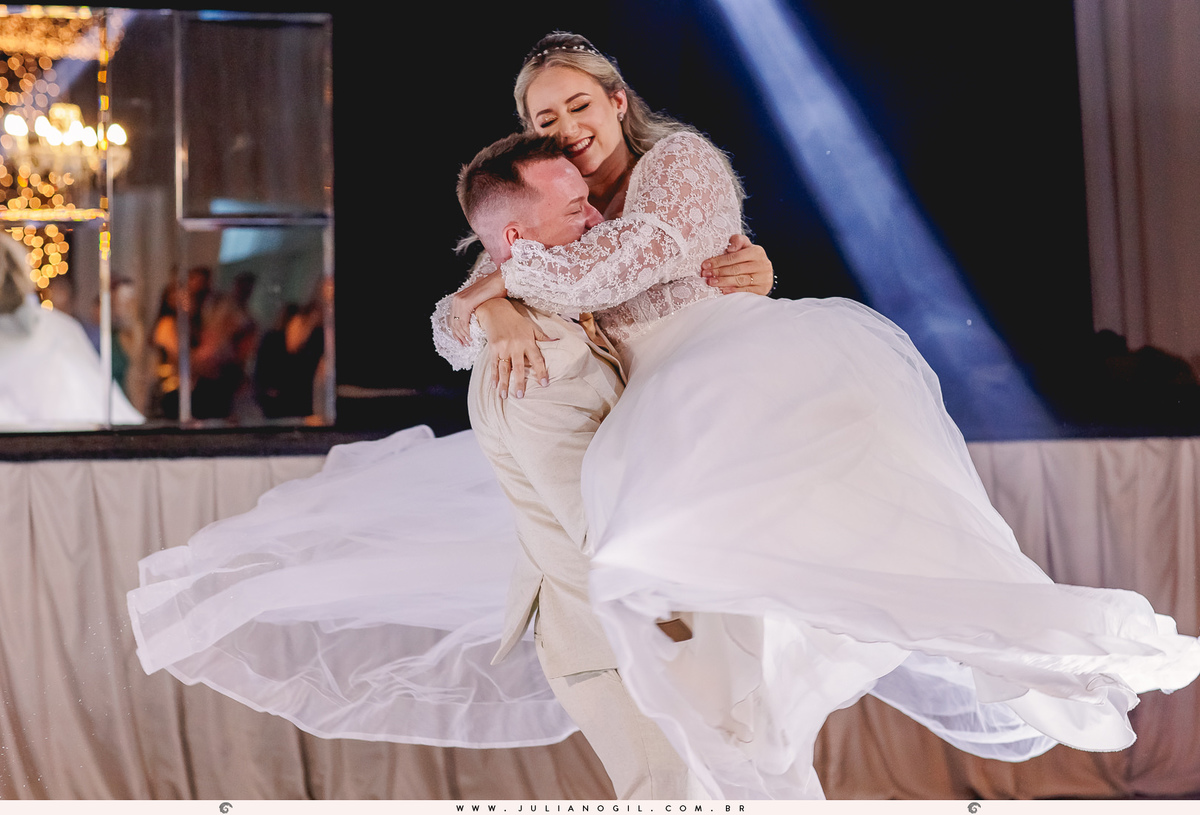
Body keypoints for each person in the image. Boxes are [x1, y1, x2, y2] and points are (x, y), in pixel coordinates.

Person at [128, 32, 1200, 801]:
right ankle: (731, 771)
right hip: (635, 410)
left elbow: (633, 260)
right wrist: (489, 306)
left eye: (577, 107)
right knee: (683, 619)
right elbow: (452, 320)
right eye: (544, 120)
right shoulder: (548, 215)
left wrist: (512, 283)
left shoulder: (674, 169)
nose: (565, 129)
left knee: (779, 596)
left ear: (617, 99)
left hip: (718, 378)